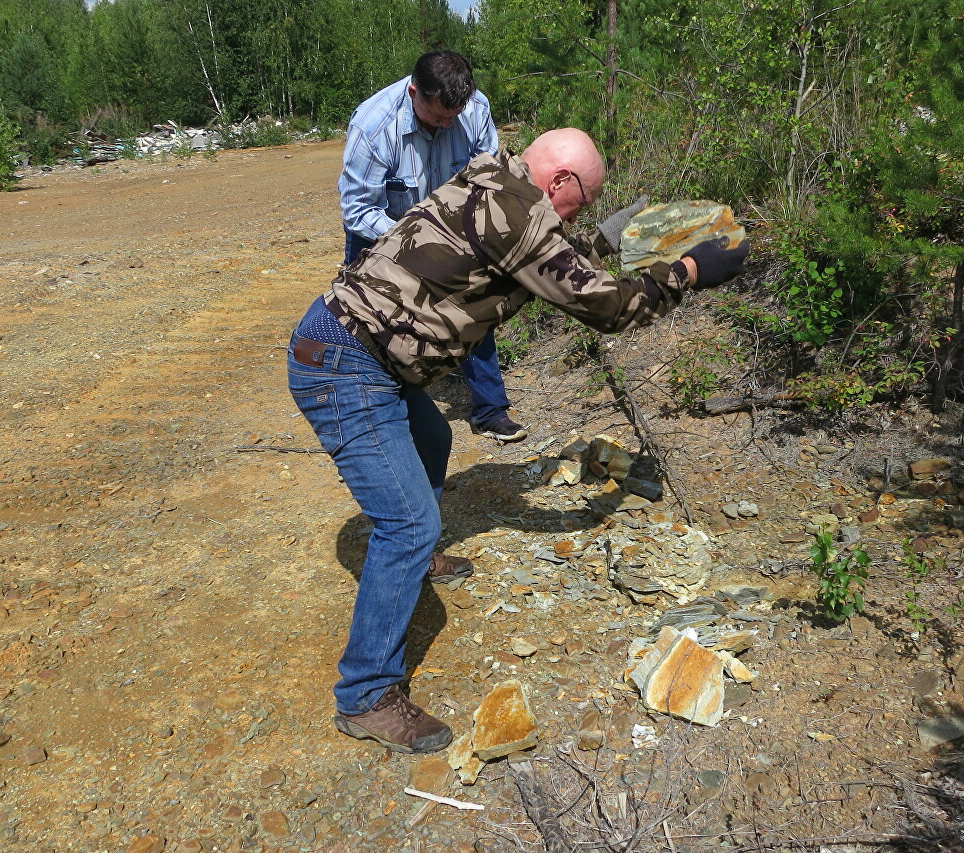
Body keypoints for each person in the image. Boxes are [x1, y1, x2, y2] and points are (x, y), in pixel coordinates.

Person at [289, 128, 750, 753]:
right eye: (581, 202)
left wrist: (605, 237)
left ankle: (414, 564)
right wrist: (690, 270)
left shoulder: (493, 175)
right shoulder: (518, 217)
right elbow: (607, 308)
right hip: (346, 368)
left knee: (431, 437)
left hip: (365, 355)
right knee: (408, 524)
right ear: (559, 182)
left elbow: (543, 253)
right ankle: (367, 694)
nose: (577, 214)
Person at [339, 50, 526, 442]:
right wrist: (412, 247)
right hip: (381, 230)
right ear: (414, 92)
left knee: (472, 305)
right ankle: (382, 414)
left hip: (448, 227)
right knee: (372, 324)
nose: (448, 123)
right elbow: (357, 210)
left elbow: (491, 178)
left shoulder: (473, 110)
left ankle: (490, 410)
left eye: (453, 116)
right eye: (439, 116)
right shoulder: (374, 126)